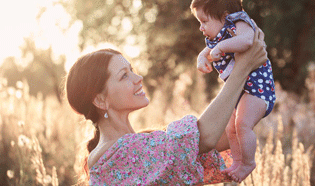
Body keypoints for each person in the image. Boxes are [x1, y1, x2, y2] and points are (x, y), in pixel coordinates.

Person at [65, 26, 267, 185]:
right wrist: (242, 68)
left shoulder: (140, 144)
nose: (139, 78)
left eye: (132, 70)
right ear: (100, 100)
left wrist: (244, 58)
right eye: (124, 76)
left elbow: (220, 136)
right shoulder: (114, 156)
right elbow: (203, 138)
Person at [190, 0, 276, 182]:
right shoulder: (216, 38)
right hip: (241, 92)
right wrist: (202, 58)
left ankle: (248, 162)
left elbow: (247, 41)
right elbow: (207, 51)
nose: (201, 27)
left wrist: (223, 47)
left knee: (242, 124)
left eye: (204, 21)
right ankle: (237, 161)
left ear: (224, 15)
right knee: (230, 128)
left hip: (258, 91)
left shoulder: (240, 23)